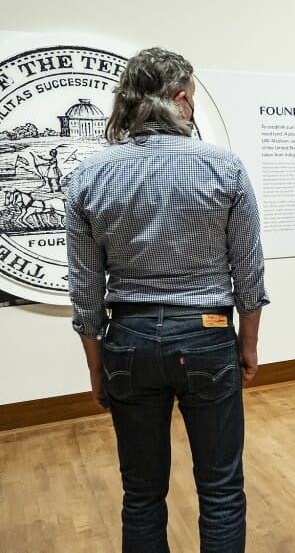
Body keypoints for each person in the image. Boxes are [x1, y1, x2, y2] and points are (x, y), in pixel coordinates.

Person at [66, 47, 268, 552]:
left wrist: (97, 368)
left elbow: (86, 292)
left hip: (128, 342)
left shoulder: (89, 176)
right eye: (193, 98)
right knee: (221, 491)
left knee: (141, 494)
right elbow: (249, 271)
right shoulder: (225, 168)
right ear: (180, 99)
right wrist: (248, 344)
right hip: (207, 336)